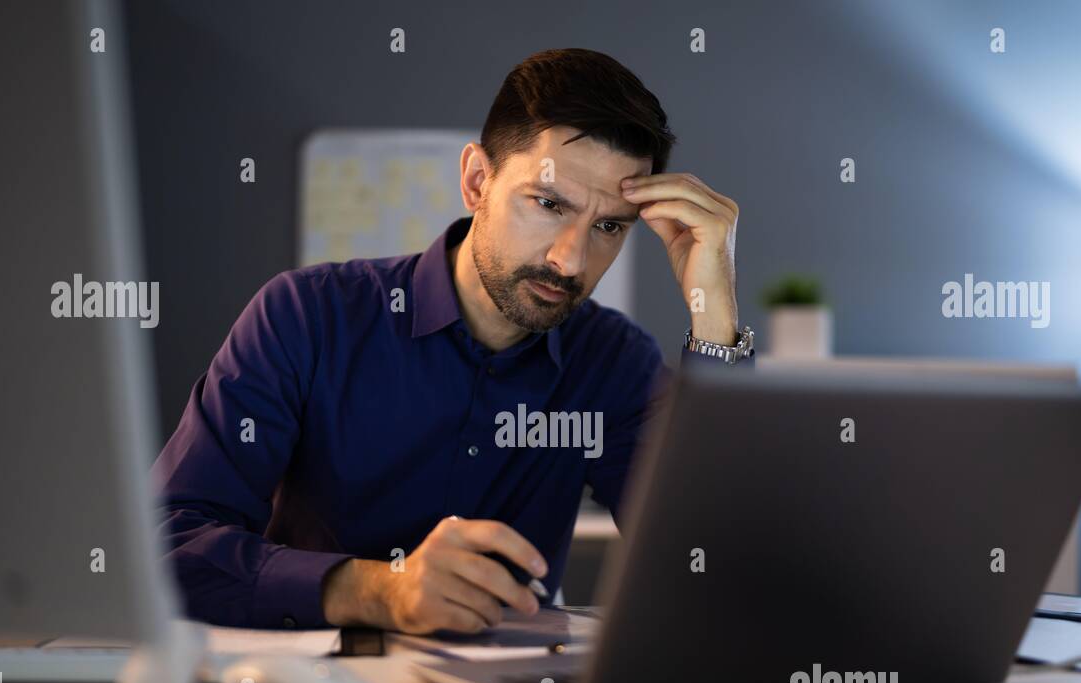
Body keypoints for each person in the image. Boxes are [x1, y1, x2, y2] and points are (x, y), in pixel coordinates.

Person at [153, 48, 753, 634]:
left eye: (608, 227)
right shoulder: (306, 316)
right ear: (476, 181)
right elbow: (167, 542)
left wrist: (716, 319)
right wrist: (378, 589)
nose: (569, 260)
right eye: (547, 204)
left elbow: (716, 570)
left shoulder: (614, 362)